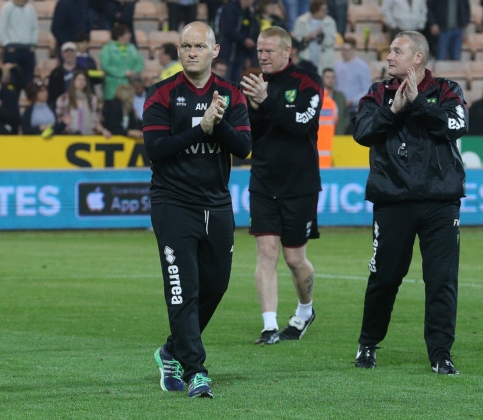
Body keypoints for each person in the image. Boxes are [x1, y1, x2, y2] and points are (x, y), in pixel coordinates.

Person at [143, 21, 252, 398]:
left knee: (216, 286)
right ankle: (196, 371)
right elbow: (154, 150)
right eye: (186, 46)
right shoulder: (161, 94)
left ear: (215, 50)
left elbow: (243, 148)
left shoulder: (231, 94)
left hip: (217, 204)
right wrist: (201, 129)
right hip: (173, 203)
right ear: (178, 50)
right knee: (182, 290)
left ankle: (171, 350)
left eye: (199, 46)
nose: (192, 52)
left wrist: (217, 125)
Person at [352, 31, 467, 374]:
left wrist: (417, 104)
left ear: (418, 58)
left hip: (441, 201)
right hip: (392, 200)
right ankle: (368, 344)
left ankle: (441, 354)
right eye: (389, 51)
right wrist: (395, 109)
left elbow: (455, 125)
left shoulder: (447, 90)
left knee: (442, 279)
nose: (389, 56)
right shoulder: (377, 93)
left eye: (397, 51)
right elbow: (362, 132)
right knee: (384, 278)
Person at [240, 26, 322, 345]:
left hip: (299, 182)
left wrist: (267, 101)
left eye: (269, 51)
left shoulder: (307, 84)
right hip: (262, 179)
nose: (263, 56)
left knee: (293, 258)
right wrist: (255, 105)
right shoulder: (251, 84)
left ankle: (305, 310)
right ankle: (269, 325)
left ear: (287, 52)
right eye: (259, 51)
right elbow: (250, 130)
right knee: (266, 251)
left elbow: (301, 124)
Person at [0, 0, 39, 86]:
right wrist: (7, 44)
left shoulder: (31, 9)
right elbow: (1, 28)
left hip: (28, 48)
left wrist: (34, 43)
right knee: (12, 81)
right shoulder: (7, 8)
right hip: (13, 49)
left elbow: (35, 28)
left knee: (28, 81)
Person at [333, 37, 372, 133]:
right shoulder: (337, 66)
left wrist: (352, 101)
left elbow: (367, 90)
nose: (344, 52)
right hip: (340, 110)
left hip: (355, 110)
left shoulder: (362, 67)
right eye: (343, 50)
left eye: (347, 50)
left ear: (354, 50)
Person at [216, 0, 260, 83]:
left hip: (240, 56)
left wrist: (252, 15)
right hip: (227, 53)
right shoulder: (230, 8)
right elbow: (228, 29)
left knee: (236, 85)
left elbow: (252, 31)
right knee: (225, 82)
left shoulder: (248, 12)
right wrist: (244, 39)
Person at [100, 23, 145, 100]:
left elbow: (140, 63)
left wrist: (133, 72)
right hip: (112, 86)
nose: (130, 35)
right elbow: (105, 65)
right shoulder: (107, 48)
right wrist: (123, 73)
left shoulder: (132, 47)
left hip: (130, 85)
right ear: (120, 35)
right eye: (127, 33)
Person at [291, 0, 337, 75]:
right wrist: (307, 38)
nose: (326, 12)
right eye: (323, 10)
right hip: (306, 57)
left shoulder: (330, 22)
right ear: (316, 10)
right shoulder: (301, 21)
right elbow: (296, 41)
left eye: (326, 9)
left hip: (323, 58)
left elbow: (331, 41)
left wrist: (322, 35)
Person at [55, 69, 103, 135]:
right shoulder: (63, 98)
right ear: (73, 81)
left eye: (84, 80)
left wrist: (103, 130)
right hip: (68, 136)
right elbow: (59, 119)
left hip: (88, 135)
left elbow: (96, 120)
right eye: (79, 79)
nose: (81, 82)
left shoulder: (92, 99)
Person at [321, 67, 349, 134]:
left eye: (333, 77)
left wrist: (341, 130)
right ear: (322, 79)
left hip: (338, 135)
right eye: (327, 77)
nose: (331, 80)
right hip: (321, 136)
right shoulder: (317, 97)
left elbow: (346, 117)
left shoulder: (340, 97)